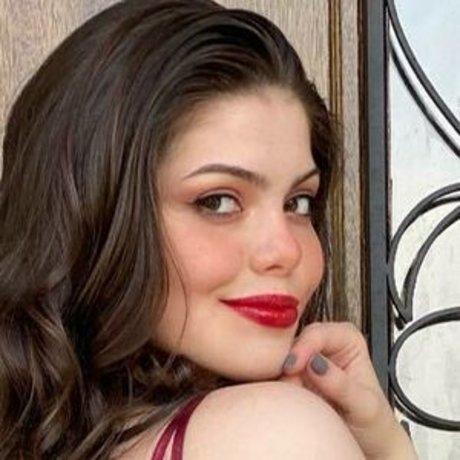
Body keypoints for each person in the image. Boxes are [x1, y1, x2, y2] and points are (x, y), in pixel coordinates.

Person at [0, 0, 418, 459]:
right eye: (217, 202)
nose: (286, 251)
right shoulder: (277, 435)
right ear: (95, 217)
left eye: (298, 203)